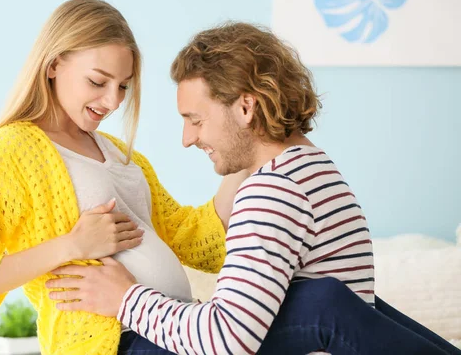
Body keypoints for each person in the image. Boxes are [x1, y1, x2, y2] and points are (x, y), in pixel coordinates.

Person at [48, 22, 461, 355]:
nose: (187, 139)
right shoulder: (315, 167)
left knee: (323, 304)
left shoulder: (273, 191)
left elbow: (228, 339)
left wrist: (125, 298)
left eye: (196, 118)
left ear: (245, 108)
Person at [0, 0, 249, 355]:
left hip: (173, 327)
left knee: (311, 303)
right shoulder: (11, 149)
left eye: (124, 86)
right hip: (120, 343)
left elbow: (189, 237)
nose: (113, 101)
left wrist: (247, 145)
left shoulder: (120, 153)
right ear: (53, 65)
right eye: (98, 81)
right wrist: (73, 246)